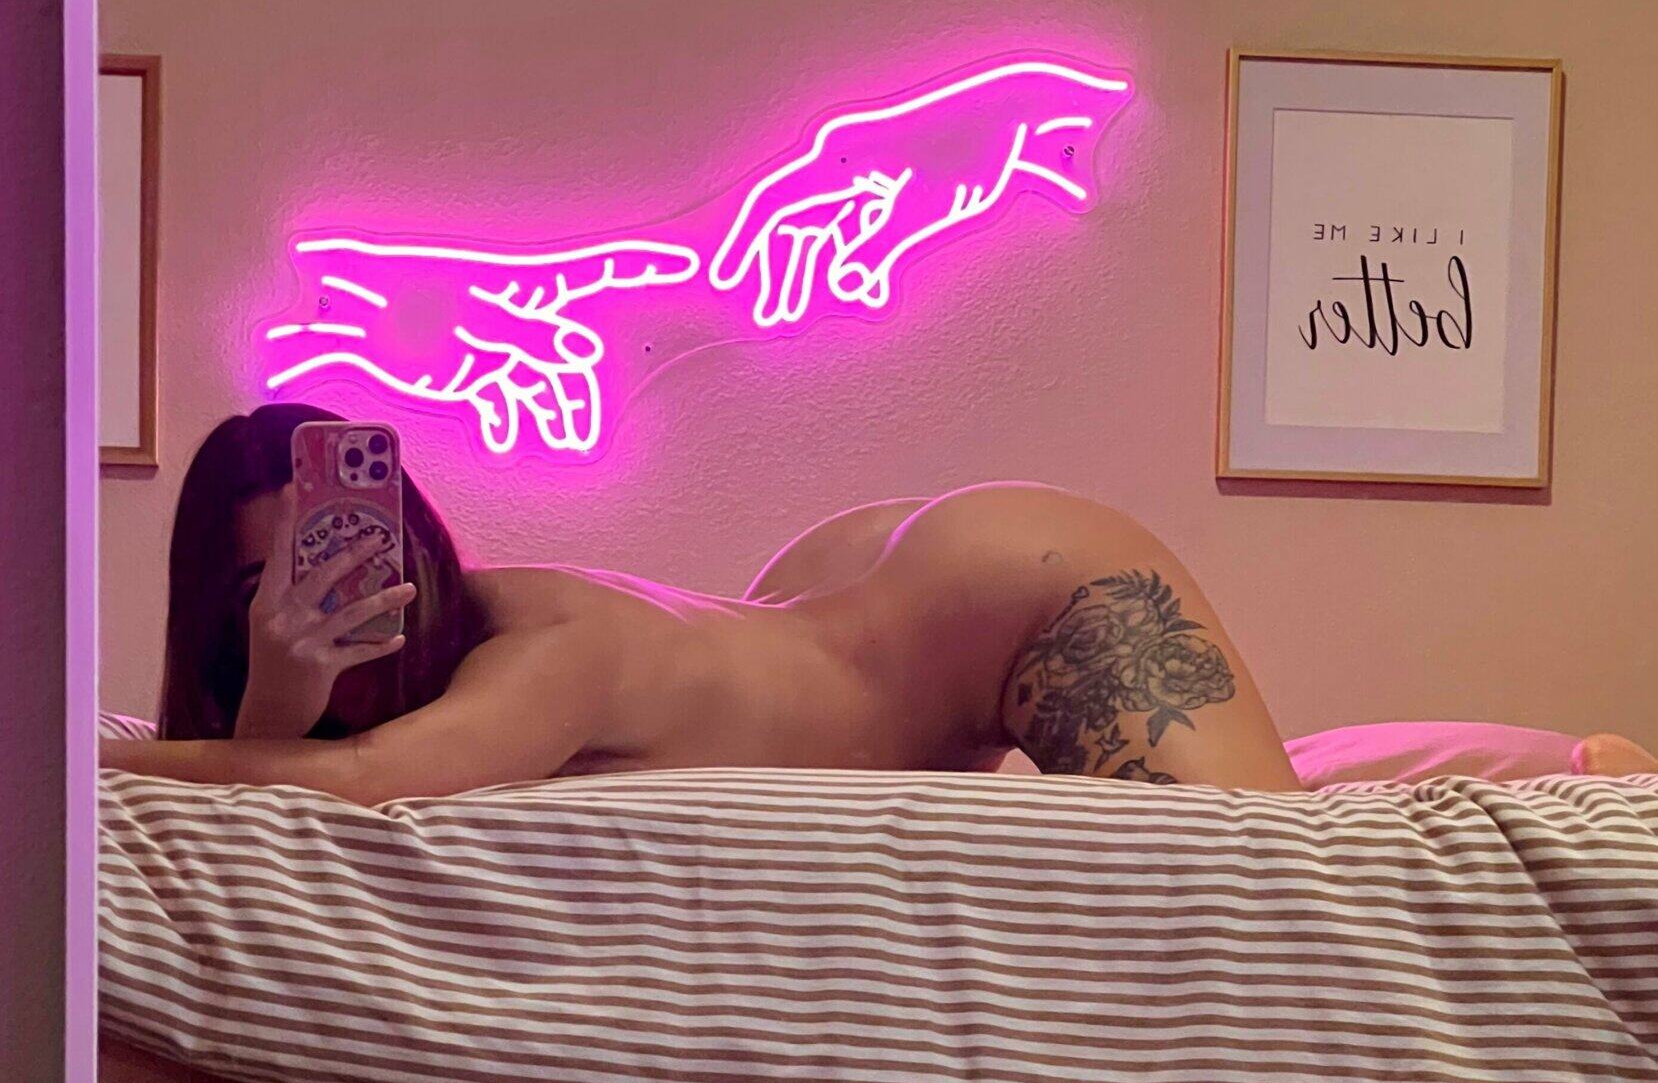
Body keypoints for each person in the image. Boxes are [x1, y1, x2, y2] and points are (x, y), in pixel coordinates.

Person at [103, 405, 1656, 803]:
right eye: (261, 581)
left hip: (1004, 588)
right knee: (1230, 796)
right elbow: (311, 765)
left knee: (1266, 865)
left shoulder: (536, 651)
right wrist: (274, 695)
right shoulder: (348, 691)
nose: (309, 595)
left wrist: (83, 762)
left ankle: (1550, 770)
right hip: (834, 608)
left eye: (332, 551)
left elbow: (366, 786)